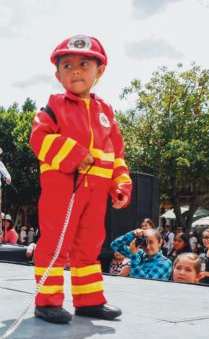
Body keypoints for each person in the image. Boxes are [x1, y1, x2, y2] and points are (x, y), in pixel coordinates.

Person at [28, 35, 133, 323]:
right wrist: (72, 154)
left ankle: (89, 301)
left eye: (84, 64)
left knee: (90, 245)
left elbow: (117, 154)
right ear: (57, 73)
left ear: (100, 71)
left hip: (96, 192)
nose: (75, 70)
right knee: (55, 243)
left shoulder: (106, 114)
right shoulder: (53, 107)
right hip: (63, 188)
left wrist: (120, 183)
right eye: (67, 65)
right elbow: (39, 139)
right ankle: (47, 301)